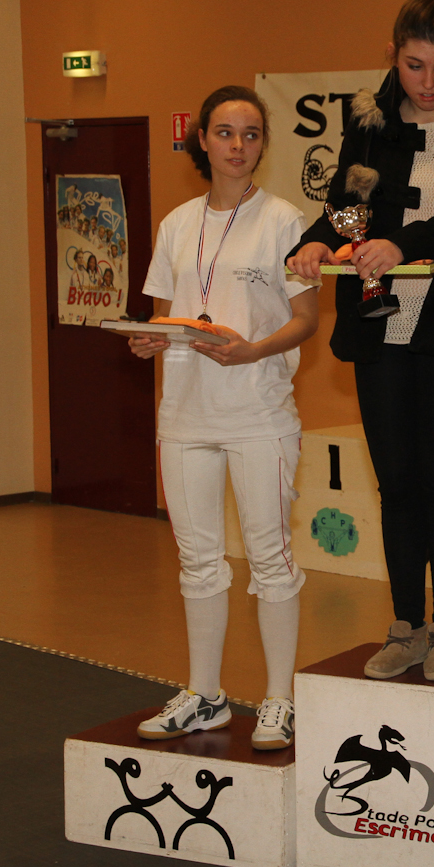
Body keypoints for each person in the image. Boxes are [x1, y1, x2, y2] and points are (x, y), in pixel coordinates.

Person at [287, 0, 434, 682]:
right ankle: (405, 624)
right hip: (380, 314)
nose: (428, 82)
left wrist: (402, 244)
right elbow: (349, 207)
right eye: (414, 65)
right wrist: (318, 241)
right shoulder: (368, 120)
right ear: (393, 55)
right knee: (395, 482)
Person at [129, 85, 318, 750]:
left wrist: (252, 350)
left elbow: (306, 320)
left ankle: (279, 700)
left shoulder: (286, 220)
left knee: (271, 560)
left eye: (251, 134)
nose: (238, 145)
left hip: (259, 413)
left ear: (263, 144)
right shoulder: (176, 224)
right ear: (202, 140)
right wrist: (149, 338)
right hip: (185, 413)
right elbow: (166, 313)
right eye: (225, 132)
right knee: (198, 562)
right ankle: (205, 696)